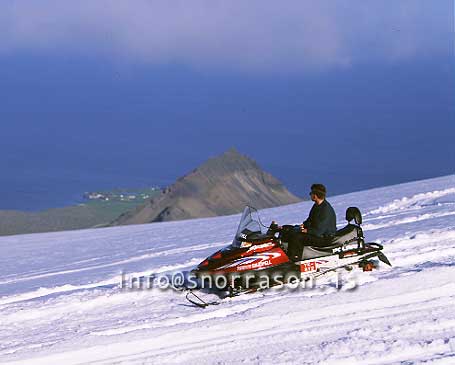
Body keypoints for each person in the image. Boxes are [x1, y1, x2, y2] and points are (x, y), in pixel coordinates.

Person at [286, 184, 337, 261]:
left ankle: (295, 259)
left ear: (315, 195)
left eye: (311, 193)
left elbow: (319, 231)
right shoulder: (317, 206)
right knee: (289, 230)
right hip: (317, 234)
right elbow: (310, 220)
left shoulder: (325, 210)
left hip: (325, 238)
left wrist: (306, 230)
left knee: (297, 237)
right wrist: (303, 226)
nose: (310, 195)